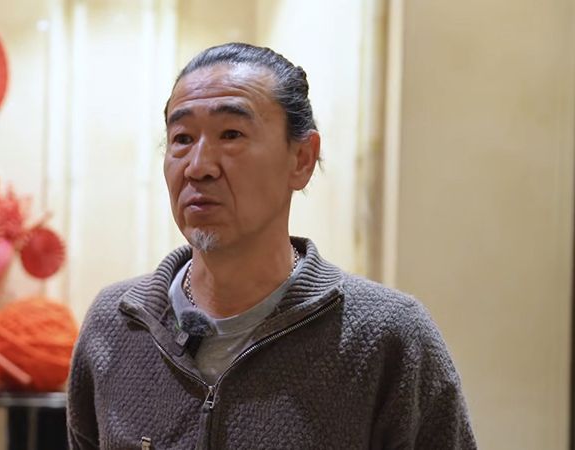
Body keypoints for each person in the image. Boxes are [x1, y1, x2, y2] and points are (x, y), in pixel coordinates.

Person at [67, 42, 475, 449]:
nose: (198, 166)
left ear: (302, 159)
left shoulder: (387, 337)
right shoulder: (116, 325)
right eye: (182, 138)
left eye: (231, 134)